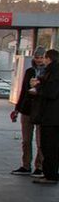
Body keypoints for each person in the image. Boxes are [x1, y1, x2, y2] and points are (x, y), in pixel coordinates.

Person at [10, 48, 45, 175]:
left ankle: (39, 166)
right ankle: (26, 165)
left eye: (41, 57)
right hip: (27, 109)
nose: (39, 60)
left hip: (41, 110)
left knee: (41, 141)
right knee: (26, 140)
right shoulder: (29, 71)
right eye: (37, 57)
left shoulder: (49, 73)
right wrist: (17, 109)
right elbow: (24, 91)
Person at [31, 49, 59, 185]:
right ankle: (49, 173)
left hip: (51, 116)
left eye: (45, 58)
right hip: (52, 116)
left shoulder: (54, 72)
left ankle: (51, 175)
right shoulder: (53, 71)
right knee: (49, 146)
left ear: (49, 59)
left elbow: (52, 92)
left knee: (49, 146)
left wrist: (38, 88)